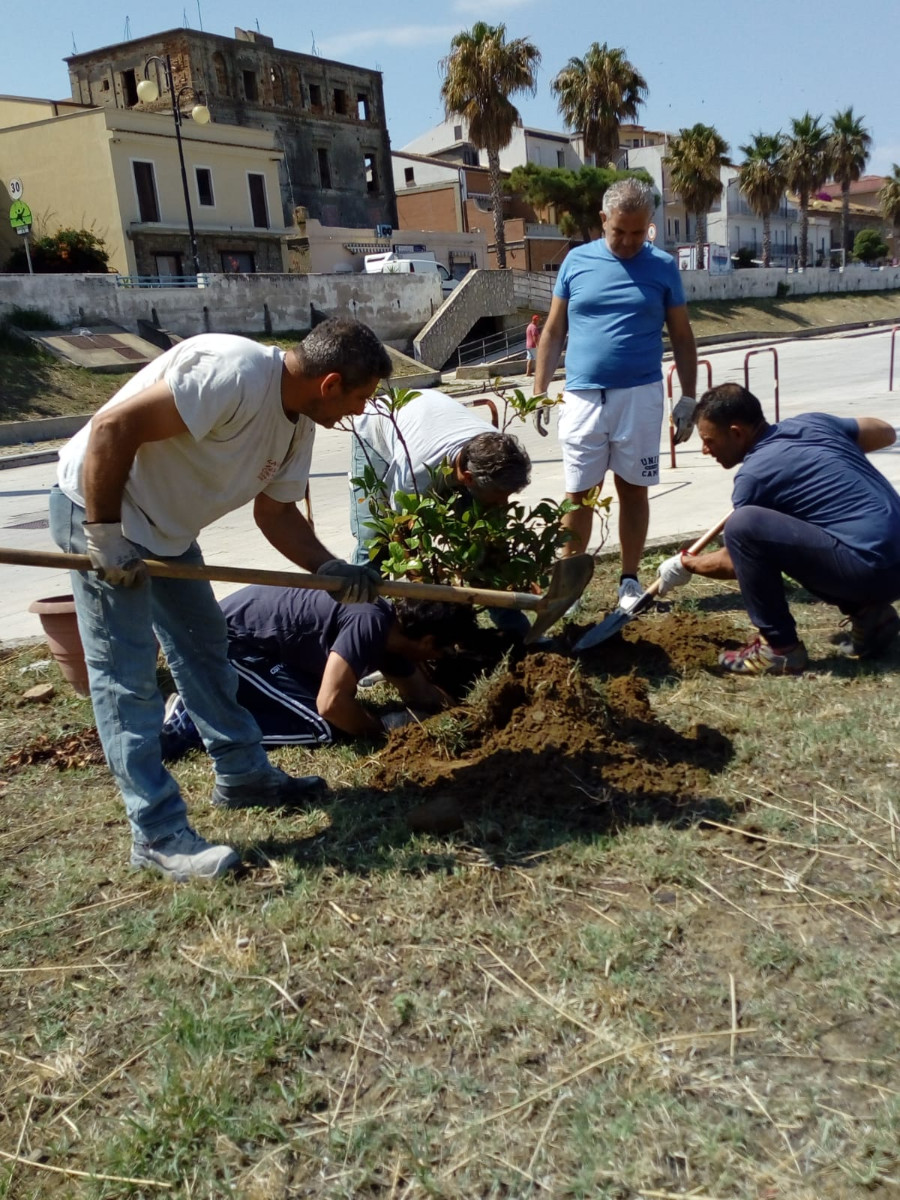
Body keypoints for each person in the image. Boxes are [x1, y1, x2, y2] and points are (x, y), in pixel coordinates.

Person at [49, 319, 393, 882]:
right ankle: (156, 834)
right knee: (126, 676)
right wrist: (105, 535)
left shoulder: (298, 425)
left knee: (206, 648)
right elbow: (113, 426)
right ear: (330, 384)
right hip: (98, 506)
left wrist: (328, 567)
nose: (360, 411)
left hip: (168, 532)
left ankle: (243, 774)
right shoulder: (233, 372)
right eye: (360, 398)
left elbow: (275, 513)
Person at [533, 177, 698, 612]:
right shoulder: (576, 262)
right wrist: (539, 390)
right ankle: (568, 587)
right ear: (602, 219)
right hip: (583, 397)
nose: (628, 241)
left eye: (638, 232)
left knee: (634, 490)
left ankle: (628, 580)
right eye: (618, 231)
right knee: (579, 493)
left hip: (640, 395)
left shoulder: (663, 266)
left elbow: (682, 336)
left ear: (650, 224)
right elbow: (554, 329)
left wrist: (688, 396)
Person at [656, 383, 900, 675]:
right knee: (805, 531)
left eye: (709, 440)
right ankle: (871, 616)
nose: (705, 450)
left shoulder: (754, 476)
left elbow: (736, 561)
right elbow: (885, 431)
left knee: (743, 525)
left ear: (736, 433)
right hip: (888, 558)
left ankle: (780, 649)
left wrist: (687, 564)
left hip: (874, 570)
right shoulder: (813, 424)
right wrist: (829, 453)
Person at [161, 588, 475, 757]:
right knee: (324, 726)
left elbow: (421, 694)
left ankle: (223, 704)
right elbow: (331, 705)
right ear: (428, 641)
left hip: (264, 650)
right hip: (224, 645)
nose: (441, 658)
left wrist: (462, 714)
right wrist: (380, 729)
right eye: (444, 651)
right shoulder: (370, 623)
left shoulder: (392, 635)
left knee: (323, 704)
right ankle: (194, 723)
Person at [349, 387, 531, 565]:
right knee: (375, 538)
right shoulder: (416, 474)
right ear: (468, 478)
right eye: (499, 496)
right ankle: (360, 581)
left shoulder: (496, 447)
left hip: (431, 415)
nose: (505, 504)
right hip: (376, 423)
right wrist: (422, 573)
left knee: (482, 529)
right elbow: (402, 529)